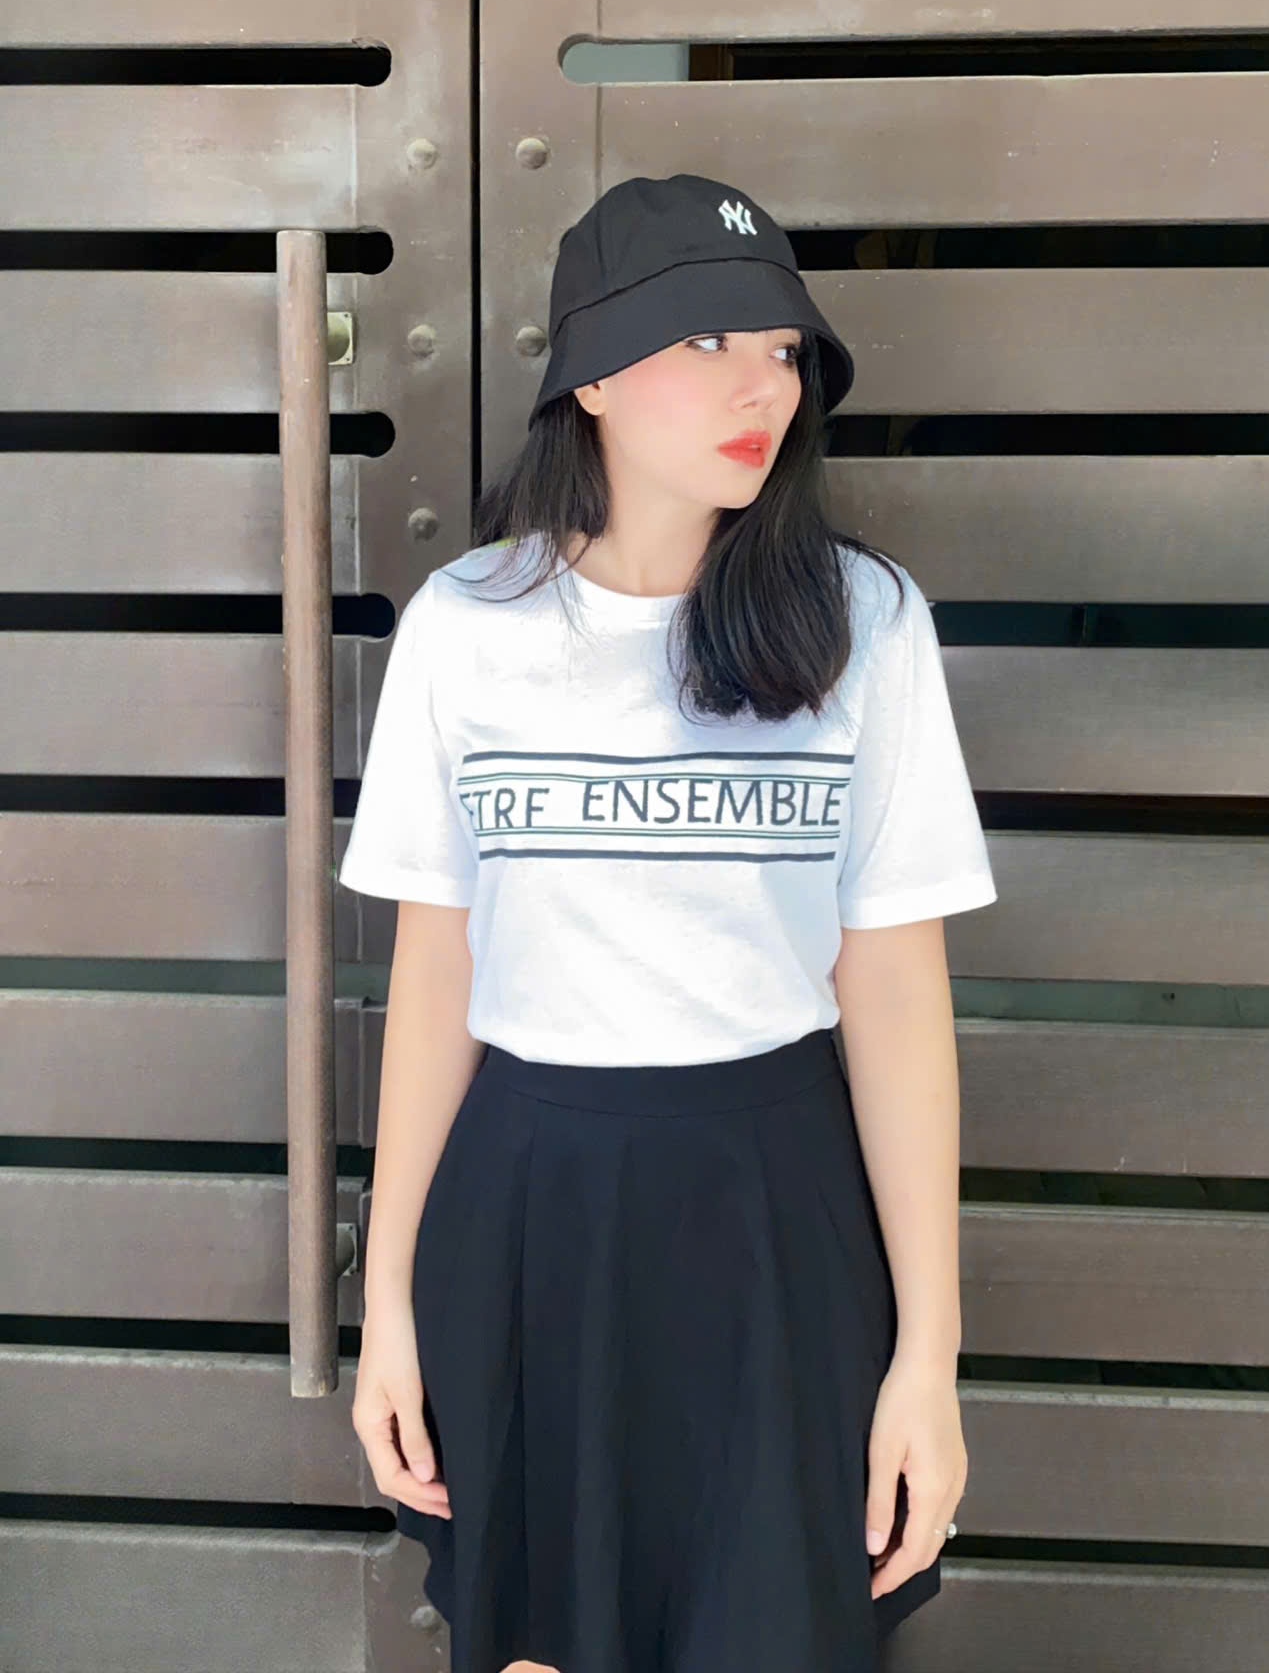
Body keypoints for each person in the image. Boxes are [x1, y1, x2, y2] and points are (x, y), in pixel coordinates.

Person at [339, 172, 998, 1673]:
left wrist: (929, 1356)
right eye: (706, 342)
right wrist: (389, 1307)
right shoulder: (467, 626)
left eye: (782, 350)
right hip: (529, 1212)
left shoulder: (863, 622)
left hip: (777, 1212)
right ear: (587, 378)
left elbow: (898, 1002)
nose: (762, 387)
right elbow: (437, 980)